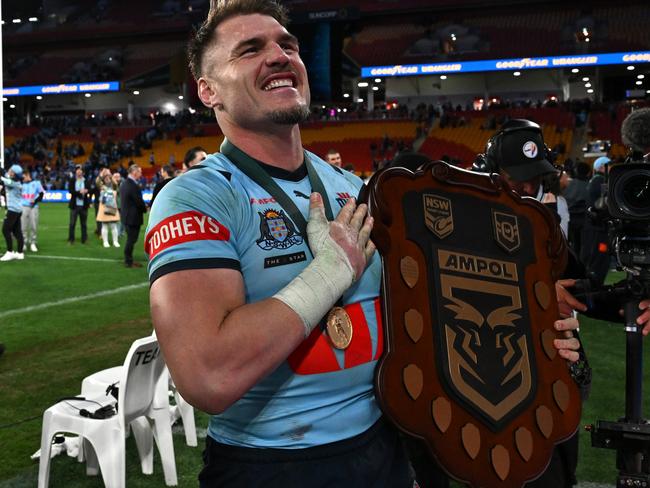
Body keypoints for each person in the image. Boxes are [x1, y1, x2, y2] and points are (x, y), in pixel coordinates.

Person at [147, 3, 582, 487]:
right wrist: (328, 274)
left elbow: (429, 311)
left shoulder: (355, 189)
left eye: (287, 45)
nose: (278, 56)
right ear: (208, 91)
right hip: (271, 464)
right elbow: (208, 377)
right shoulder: (196, 195)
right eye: (250, 50)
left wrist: (534, 328)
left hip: (386, 447)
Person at [580, 156, 609, 285]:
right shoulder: (600, 181)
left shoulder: (594, 180)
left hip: (592, 227)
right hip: (597, 228)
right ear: (602, 167)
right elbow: (607, 201)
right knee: (598, 261)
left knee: (592, 259)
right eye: (609, 165)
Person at [120, 164, 146, 268]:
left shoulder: (125, 183)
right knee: (131, 239)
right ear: (134, 172)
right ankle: (128, 261)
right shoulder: (133, 185)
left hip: (127, 216)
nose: (141, 174)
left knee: (131, 239)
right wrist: (145, 209)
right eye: (140, 171)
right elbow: (138, 201)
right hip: (133, 217)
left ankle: (128, 259)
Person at [1, 165, 25, 261]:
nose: (9, 171)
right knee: (17, 231)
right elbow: (3, 173)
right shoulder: (15, 180)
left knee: (5, 230)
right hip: (18, 210)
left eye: (11, 171)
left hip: (13, 210)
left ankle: (9, 252)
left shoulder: (13, 183)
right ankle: (19, 253)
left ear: (14, 174)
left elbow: (2, 179)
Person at [20, 170, 44, 252]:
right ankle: (23, 242)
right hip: (23, 206)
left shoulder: (37, 183)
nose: (22, 178)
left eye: (23, 177)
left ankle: (33, 242)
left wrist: (36, 200)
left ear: (27, 175)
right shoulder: (20, 184)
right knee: (23, 226)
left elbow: (41, 194)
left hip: (34, 207)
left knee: (33, 225)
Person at [67, 165, 91, 244]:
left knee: (84, 224)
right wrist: (79, 192)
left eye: (80, 170)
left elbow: (89, 190)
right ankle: (71, 239)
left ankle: (84, 239)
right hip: (74, 205)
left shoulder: (86, 180)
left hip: (84, 205)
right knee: (72, 223)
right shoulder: (72, 180)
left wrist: (87, 191)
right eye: (78, 170)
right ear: (76, 171)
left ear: (83, 172)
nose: (79, 171)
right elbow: (70, 191)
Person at [96, 173, 121, 248]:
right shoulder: (101, 187)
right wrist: (101, 175)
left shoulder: (113, 186)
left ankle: (115, 241)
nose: (107, 179)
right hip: (104, 208)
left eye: (108, 178)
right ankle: (105, 242)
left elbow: (115, 184)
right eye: (105, 178)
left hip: (112, 207)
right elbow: (97, 182)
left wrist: (110, 175)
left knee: (114, 226)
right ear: (103, 180)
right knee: (104, 226)